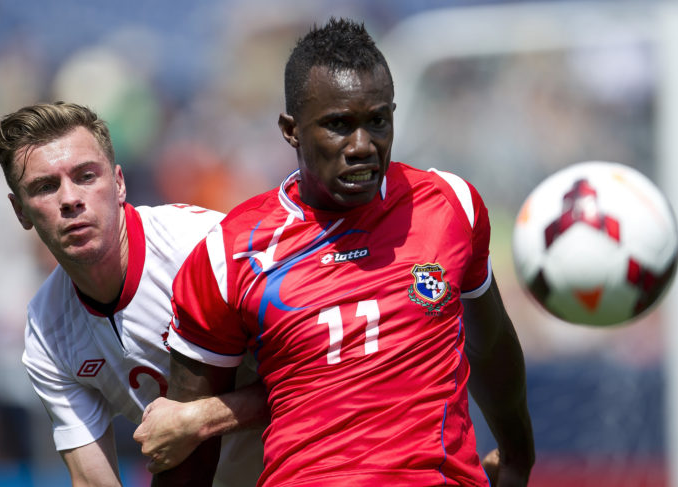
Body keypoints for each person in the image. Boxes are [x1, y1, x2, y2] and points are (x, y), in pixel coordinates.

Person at [138, 18, 535, 486]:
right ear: (291, 130)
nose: (362, 146)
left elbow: (488, 343)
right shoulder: (231, 253)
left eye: (377, 121)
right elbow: (187, 441)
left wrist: (517, 455)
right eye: (339, 126)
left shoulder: (450, 206)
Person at [0, 101, 268, 487]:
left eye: (86, 176)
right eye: (46, 187)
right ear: (20, 212)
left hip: (312, 466)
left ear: (118, 183)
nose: (70, 199)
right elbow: (91, 479)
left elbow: (325, 374)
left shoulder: (205, 247)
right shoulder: (46, 331)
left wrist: (199, 419)